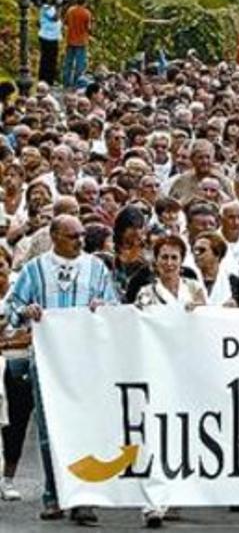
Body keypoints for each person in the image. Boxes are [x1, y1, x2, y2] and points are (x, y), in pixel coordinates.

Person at [4, 214, 116, 525]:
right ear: (54, 237)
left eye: (81, 235)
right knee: (50, 429)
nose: (80, 240)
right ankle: (54, 495)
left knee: (86, 428)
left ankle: (83, 498)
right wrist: (26, 311)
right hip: (48, 362)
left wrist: (102, 308)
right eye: (72, 236)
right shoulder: (35, 269)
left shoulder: (96, 268)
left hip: (87, 362)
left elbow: (113, 305)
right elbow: (11, 307)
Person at [0, 247, 32, 502]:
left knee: (16, 425)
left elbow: (31, 334)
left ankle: (8, 478)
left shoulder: (20, 295)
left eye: (1, 265)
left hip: (18, 366)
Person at [134, 235, 208, 311]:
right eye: (164, 257)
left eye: (174, 258)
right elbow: (140, 319)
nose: (169, 263)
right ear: (156, 260)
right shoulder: (146, 293)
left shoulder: (195, 288)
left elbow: (204, 316)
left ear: (181, 261)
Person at [61, 0, 91, 88]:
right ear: (85, 2)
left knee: (68, 62)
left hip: (70, 39)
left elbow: (65, 22)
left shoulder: (70, 10)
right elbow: (88, 28)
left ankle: (66, 82)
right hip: (81, 41)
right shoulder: (86, 13)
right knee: (80, 64)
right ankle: (76, 84)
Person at [36, 0, 62, 86]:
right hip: (48, 37)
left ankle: (48, 79)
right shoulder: (46, 8)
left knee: (51, 59)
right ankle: (45, 80)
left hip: (52, 37)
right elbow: (55, 18)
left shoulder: (49, 7)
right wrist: (59, 6)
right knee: (48, 60)